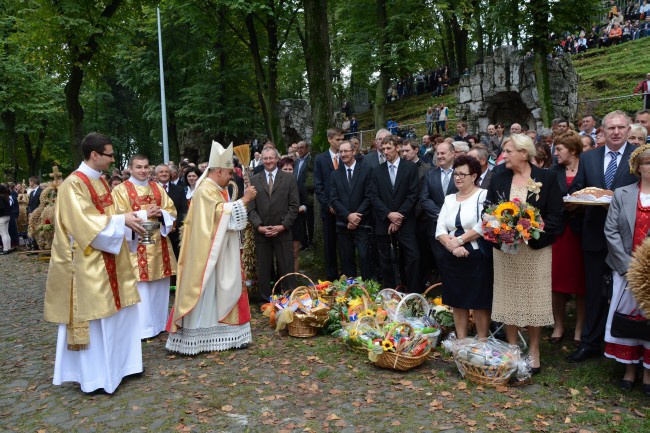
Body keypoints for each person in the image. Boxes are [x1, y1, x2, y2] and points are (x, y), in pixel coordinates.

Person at [43, 132, 146, 393]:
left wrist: (126, 218)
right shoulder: (72, 185)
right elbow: (83, 224)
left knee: (120, 313)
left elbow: (107, 214)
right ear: (94, 155)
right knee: (97, 318)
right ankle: (96, 378)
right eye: (110, 155)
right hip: (86, 262)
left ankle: (123, 367)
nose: (113, 160)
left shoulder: (100, 181)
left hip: (108, 255)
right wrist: (121, 221)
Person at [167, 142, 256, 354]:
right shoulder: (205, 189)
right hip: (206, 254)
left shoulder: (217, 188)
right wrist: (244, 199)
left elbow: (223, 213)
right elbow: (218, 215)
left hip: (220, 249)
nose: (230, 176)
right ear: (217, 171)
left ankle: (225, 334)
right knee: (207, 292)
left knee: (220, 289)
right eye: (228, 172)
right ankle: (201, 337)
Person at [486, 134, 564, 374]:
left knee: (534, 299)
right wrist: (500, 230)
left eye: (508, 151)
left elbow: (556, 215)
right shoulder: (499, 176)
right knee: (508, 298)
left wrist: (530, 232)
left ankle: (534, 349)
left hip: (534, 252)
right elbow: (488, 210)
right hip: (506, 252)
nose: (504, 156)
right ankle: (511, 348)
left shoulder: (546, 178)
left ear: (523, 152)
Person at [567, 110, 639, 363]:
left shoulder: (639, 157)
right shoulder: (589, 158)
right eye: (611, 128)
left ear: (629, 130)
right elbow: (579, 189)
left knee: (629, 293)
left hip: (630, 238)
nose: (616, 132)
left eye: (621, 127)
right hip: (595, 233)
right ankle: (590, 343)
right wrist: (577, 199)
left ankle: (627, 346)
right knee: (595, 291)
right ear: (603, 131)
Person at [112, 155, 177, 340]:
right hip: (135, 244)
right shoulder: (121, 190)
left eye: (146, 167)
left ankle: (159, 323)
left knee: (160, 285)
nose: (143, 170)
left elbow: (171, 210)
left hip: (158, 243)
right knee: (142, 288)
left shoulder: (157, 187)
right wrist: (144, 213)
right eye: (138, 167)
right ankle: (143, 329)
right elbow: (118, 215)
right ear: (130, 169)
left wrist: (162, 213)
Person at [603, 143, 650, 393]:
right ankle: (629, 369)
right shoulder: (622, 193)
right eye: (647, 162)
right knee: (627, 316)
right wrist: (627, 267)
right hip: (625, 267)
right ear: (637, 167)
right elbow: (611, 230)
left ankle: (648, 373)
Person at [435, 155, 492, 339]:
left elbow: (484, 225)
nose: (458, 178)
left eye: (462, 174)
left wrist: (460, 241)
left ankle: (482, 341)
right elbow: (440, 228)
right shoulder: (449, 199)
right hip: (451, 257)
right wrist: (452, 247)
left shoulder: (482, 195)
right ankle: (461, 342)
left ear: (473, 176)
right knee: (457, 300)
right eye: (455, 174)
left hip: (475, 255)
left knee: (479, 301)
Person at [368, 135, 420, 292]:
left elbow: (413, 195)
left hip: (406, 222)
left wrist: (398, 218)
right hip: (384, 222)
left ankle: (413, 293)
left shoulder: (410, 168)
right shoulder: (377, 171)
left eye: (389, 148)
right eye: (383, 149)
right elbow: (373, 196)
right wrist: (389, 215)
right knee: (386, 260)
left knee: (413, 257)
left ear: (398, 148)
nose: (385, 152)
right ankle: (391, 293)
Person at [549, 131, 586, 347]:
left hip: (582, 232)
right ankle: (558, 324)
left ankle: (580, 328)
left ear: (572, 150)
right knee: (557, 282)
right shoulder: (554, 171)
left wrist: (580, 206)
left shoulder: (588, 168)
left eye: (559, 149)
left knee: (582, 283)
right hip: (561, 234)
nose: (555, 153)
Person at [248, 147, 299, 301]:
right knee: (264, 268)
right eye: (265, 158)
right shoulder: (254, 179)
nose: (268, 161)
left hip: (283, 231)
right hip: (262, 232)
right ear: (261, 160)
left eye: (271, 158)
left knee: (286, 266)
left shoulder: (289, 178)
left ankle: (290, 297)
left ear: (277, 159)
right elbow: (251, 208)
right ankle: (265, 300)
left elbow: (294, 206)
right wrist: (259, 226)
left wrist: (283, 226)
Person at [330, 141, 373, 280]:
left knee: (365, 257)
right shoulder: (335, 174)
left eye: (346, 151)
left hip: (363, 223)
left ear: (353, 152)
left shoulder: (366, 170)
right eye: (341, 152)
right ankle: (351, 291)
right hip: (343, 224)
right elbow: (334, 199)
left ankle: (368, 288)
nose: (343, 154)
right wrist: (348, 216)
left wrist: (356, 217)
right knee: (347, 258)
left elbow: (369, 196)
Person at [313, 128, 343, 280]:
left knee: (345, 245)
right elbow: (318, 185)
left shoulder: (346, 156)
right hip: (328, 211)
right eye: (338, 140)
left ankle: (347, 276)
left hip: (345, 211)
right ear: (330, 139)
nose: (341, 142)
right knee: (330, 245)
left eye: (342, 139)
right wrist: (328, 206)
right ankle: (332, 277)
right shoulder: (320, 159)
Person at [277, 157, 307, 272]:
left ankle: (295, 280)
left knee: (294, 253)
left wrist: (297, 209)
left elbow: (305, 204)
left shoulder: (299, 184)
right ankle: (283, 279)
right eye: (285, 169)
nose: (288, 171)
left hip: (296, 222)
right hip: (281, 223)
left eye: (290, 169)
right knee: (282, 254)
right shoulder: (276, 185)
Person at [156, 164, 187, 261]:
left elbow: (183, 210)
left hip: (174, 233)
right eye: (161, 172)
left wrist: (174, 225)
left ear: (170, 174)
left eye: (166, 172)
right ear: (156, 174)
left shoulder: (179, 189)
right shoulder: (151, 190)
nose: (164, 174)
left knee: (176, 260)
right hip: (157, 232)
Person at [294, 141, 314, 248]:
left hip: (308, 194)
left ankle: (310, 241)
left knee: (309, 219)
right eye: (298, 148)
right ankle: (304, 241)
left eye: (302, 148)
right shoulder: (296, 162)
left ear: (307, 148)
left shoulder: (310, 161)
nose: (300, 150)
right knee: (300, 220)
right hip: (297, 194)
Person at [0, 185, 11, 254]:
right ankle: (8, 248)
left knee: (3, 234)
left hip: (1, 217)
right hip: (7, 216)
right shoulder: (5, 197)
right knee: (6, 233)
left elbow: (1, 207)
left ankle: (5, 249)